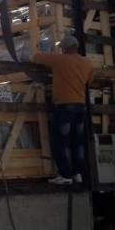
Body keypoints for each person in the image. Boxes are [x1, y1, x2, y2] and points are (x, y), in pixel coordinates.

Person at [31, 34, 94, 185]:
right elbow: (89, 81)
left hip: (65, 105)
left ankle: (65, 175)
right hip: (80, 105)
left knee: (60, 141)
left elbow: (37, 57)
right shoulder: (87, 63)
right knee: (77, 141)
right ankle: (78, 173)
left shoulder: (59, 59)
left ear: (64, 49)